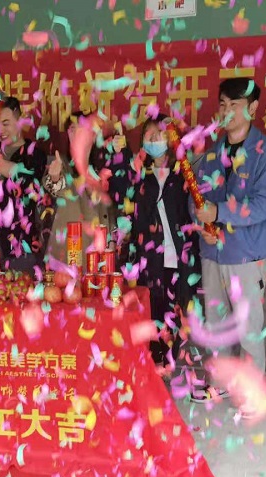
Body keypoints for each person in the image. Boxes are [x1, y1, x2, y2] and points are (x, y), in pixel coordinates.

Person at [193, 78, 266, 399]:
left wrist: (217, 212)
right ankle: (219, 383)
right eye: (223, 105)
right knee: (216, 324)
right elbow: (196, 199)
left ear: (253, 108)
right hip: (212, 253)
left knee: (247, 329)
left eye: (235, 105)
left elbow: (264, 204)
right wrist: (202, 223)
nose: (227, 111)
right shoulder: (212, 154)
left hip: (246, 255)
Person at [117, 113, 200, 366]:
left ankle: (175, 366)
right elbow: (126, 210)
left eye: (160, 133)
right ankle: (153, 367)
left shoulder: (184, 173)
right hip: (149, 260)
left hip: (179, 259)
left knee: (178, 317)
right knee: (152, 314)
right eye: (149, 135)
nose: (154, 139)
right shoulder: (138, 175)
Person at [0, 96, 49, 272]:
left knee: (20, 287)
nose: (1, 130)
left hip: (21, 244)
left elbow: (29, 184)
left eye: (6, 123)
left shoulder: (35, 154)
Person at [42, 111, 130, 262]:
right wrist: (55, 177)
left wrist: (112, 240)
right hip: (70, 257)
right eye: (72, 129)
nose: (77, 134)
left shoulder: (102, 169)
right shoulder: (61, 164)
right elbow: (56, 186)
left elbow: (113, 207)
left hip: (99, 258)